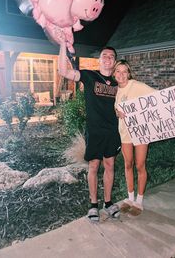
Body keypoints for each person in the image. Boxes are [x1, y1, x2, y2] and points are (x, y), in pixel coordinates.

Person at [58, 42, 121, 222]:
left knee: (109, 166)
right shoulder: (89, 76)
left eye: (111, 56)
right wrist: (63, 44)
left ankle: (108, 203)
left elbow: (143, 98)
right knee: (93, 166)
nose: (108, 58)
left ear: (114, 61)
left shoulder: (120, 82)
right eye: (104, 55)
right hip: (94, 131)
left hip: (112, 131)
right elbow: (63, 71)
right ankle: (93, 205)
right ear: (99, 60)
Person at [113, 59, 157, 216]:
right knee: (128, 164)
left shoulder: (137, 86)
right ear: (114, 73)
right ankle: (130, 197)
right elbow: (116, 111)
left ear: (129, 73)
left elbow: (160, 97)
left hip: (141, 132)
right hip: (124, 133)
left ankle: (139, 200)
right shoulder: (115, 91)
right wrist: (118, 113)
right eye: (118, 71)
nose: (121, 75)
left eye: (124, 71)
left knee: (140, 165)